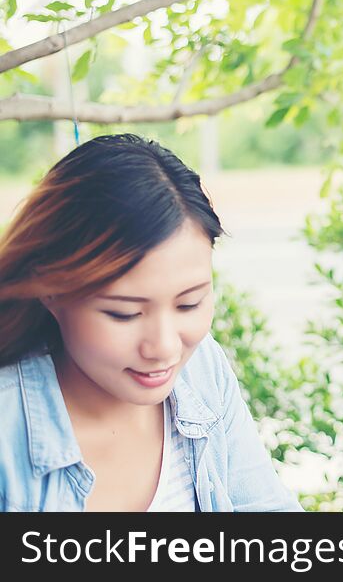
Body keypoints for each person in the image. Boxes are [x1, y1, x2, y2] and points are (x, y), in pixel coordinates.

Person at [0, 134, 302, 512]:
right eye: (124, 313)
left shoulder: (201, 370)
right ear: (50, 291)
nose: (164, 348)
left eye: (189, 304)